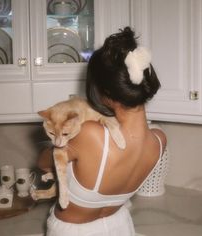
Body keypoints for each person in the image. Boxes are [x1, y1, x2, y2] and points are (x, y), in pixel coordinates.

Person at [38, 26, 167, 236]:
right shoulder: (160, 140)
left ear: (103, 90)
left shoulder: (90, 133)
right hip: (121, 225)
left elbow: (43, 163)